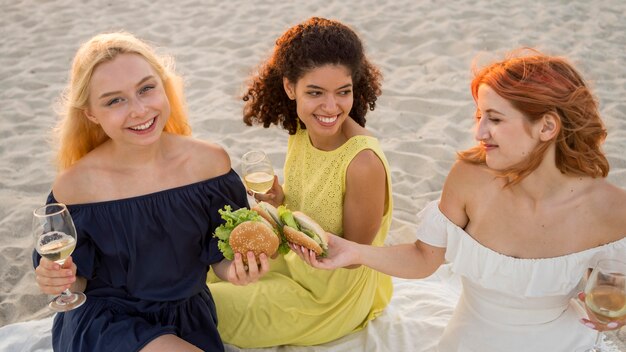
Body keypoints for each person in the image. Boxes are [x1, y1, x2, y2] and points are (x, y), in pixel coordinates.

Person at [296, 50, 626, 351]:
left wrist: (619, 315)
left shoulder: (610, 209)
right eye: (478, 116)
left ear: (547, 126)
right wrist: (353, 251)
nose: (480, 132)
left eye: (495, 119)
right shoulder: (469, 177)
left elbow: (617, 288)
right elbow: (424, 257)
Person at [32, 31, 268, 352]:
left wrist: (240, 271)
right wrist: (59, 279)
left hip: (188, 318)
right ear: (90, 113)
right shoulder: (75, 186)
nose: (140, 110)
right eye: (115, 100)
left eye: (146, 88)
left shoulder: (210, 164)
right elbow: (76, 282)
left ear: (164, 85)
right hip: (105, 321)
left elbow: (221, 259)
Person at [207, 17, 393, 347]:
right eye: (315, 92)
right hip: (291, 266)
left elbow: (354, 259)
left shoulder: (362, 163)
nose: (331, 107)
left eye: (343, 92)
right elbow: (305, 210)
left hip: (328, 298)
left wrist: (301, 239)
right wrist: (279, 205)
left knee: (197, 306)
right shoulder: (302, 128)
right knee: (185, 276)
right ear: (290, 87)